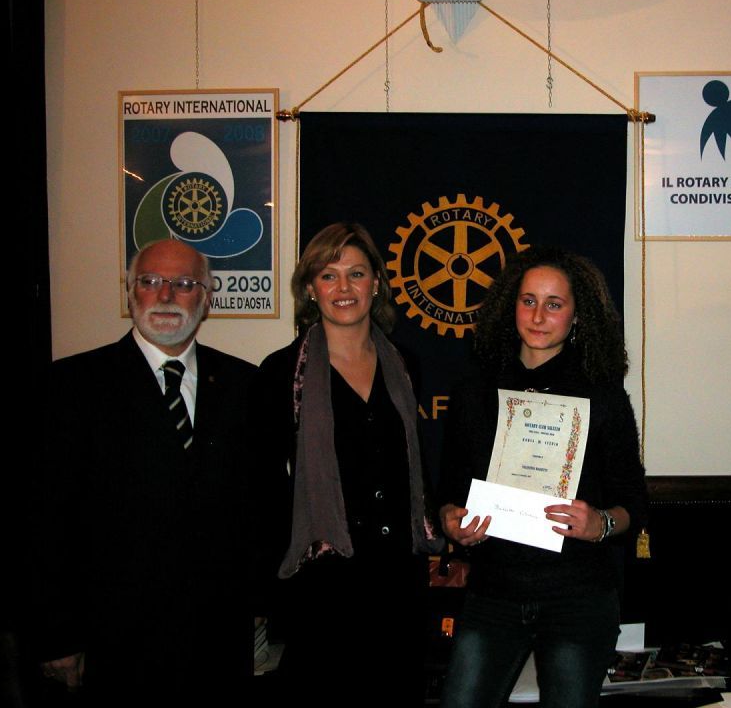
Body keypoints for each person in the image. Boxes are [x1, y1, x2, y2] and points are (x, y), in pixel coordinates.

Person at [32, 238, 256, 705]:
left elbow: (258, 506)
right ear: (129, 292)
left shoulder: (244, 385)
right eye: (150, 281)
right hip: (114, 644)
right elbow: (45, 519)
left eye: (184, 284)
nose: (166, 295)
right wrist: (56, 634)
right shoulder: (71, 386)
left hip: (218, 642)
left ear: (207, 298)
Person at [438, 246, 648, 708]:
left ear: (577, 315)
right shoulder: (474, 393)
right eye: (528, 300)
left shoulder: (604, 397)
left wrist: (600, 524)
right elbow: (449, 489)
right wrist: (452, 520)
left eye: (554, 304)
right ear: (510, 305)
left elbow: (634, 502)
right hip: (493, 593)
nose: (537, 316)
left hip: (578, 597)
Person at [250, 222, 442, 701]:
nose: (343, 288)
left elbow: (412, 467)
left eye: (356, 273)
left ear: (375, 283)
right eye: (328, 275)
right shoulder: (280, 373)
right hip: (324, 587)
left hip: (399, 581)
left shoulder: (406, 364)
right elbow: (264, 487)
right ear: (310, 288)